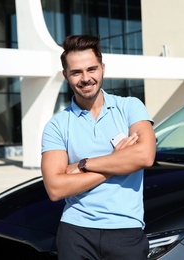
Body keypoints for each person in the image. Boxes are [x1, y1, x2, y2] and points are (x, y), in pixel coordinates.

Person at [41, 34, 156, 260]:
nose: (86, 78)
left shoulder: (130, 107)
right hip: (75, 231)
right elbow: (55, 188)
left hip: (126, 230)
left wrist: (83, 165)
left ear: (102, 68)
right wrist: (118, 160)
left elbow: (145, 156)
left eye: (91, 69)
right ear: (66, 75)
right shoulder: (57, 125)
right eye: (76, 72)